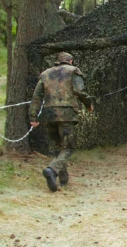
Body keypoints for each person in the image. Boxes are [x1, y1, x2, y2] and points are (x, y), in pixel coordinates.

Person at [29, 52, 93, 192]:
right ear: (70, 61)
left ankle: (63, 180)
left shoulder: (45, 74)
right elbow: (79, 91)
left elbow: (36, 97)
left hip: (50, 115)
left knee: (58, 147)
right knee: (68, 147)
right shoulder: (73, 71)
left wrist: (33, 117)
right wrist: (88, 104)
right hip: (67, 115)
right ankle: (52, 170)